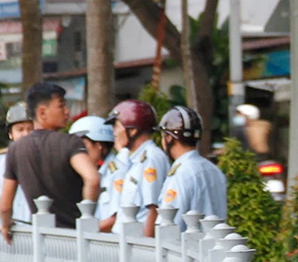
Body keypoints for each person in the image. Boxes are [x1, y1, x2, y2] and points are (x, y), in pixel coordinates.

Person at [0, 82, 100, 237]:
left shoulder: (15, 149)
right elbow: (92, 179)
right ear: (42, 112)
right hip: (74, 236)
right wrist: (86, 216)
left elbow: (5, 206)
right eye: (61, 106)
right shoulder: (70, 143)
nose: (67, 111)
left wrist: (6, 226)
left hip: (41, 236)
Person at [103, 99, 170, 237]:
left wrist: (147, 246)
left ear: (132, 130)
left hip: (137, 242)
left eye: (116, 126)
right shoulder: (134, 159)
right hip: (124, 239)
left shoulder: (151, 158)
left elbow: (153, 209)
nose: (114, 132)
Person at [157, 106, 227, 231]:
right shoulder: (215, 170)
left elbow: (169, 223)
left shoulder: (180, 174)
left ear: (169, 137)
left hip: (189, 243)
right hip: (217, 241)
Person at [69, 115, 117, 220]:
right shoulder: (90, 171)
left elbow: (116, 219)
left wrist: (87, 228)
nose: (79, 152)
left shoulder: (116, 173)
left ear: (99, 145)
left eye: (83, 146)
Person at [0, 102, 34, 225]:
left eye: (31, 129)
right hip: (5, 227)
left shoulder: (48, 159)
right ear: (10, 134)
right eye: (20, 129)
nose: (26, 134)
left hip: (39, 228)